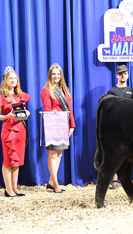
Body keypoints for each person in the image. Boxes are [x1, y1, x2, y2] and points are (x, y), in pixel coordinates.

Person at [0, 66, 31, 197]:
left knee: (17, 160)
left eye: (15, 78)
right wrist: (9, 116)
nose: (13, 80)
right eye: (10, 78)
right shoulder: (0, 97)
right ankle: (8, 190)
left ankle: (15, 188)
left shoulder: (20, 95)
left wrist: (27, 113)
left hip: (21, 130)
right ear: (5, 80)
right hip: (9, 132)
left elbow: (23, 112)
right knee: (8, 160)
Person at [41, 63, 75, 193]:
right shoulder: (46, 90)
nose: (56, 76)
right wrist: (54, 113)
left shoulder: (65, 89)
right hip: (53, 125)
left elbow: (70, 109)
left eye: (58, 74)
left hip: (64, 126)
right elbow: (47, 109)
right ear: (50, 76)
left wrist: (72, 125)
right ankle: (56, 185)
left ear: (61, 76)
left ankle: (51, 181)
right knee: (53, 154)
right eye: (54, 74)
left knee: (59, 154)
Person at [107, 64, 133, 189]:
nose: (123, 75)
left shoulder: (132, 91)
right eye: (120, 73)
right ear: (117, 75)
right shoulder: (112, 91)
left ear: (128, 75)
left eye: (124, 73)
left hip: (130, 126)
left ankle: (127, 179)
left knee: (130, 154)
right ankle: (114, 180)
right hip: (117, 127)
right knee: (115, 153)